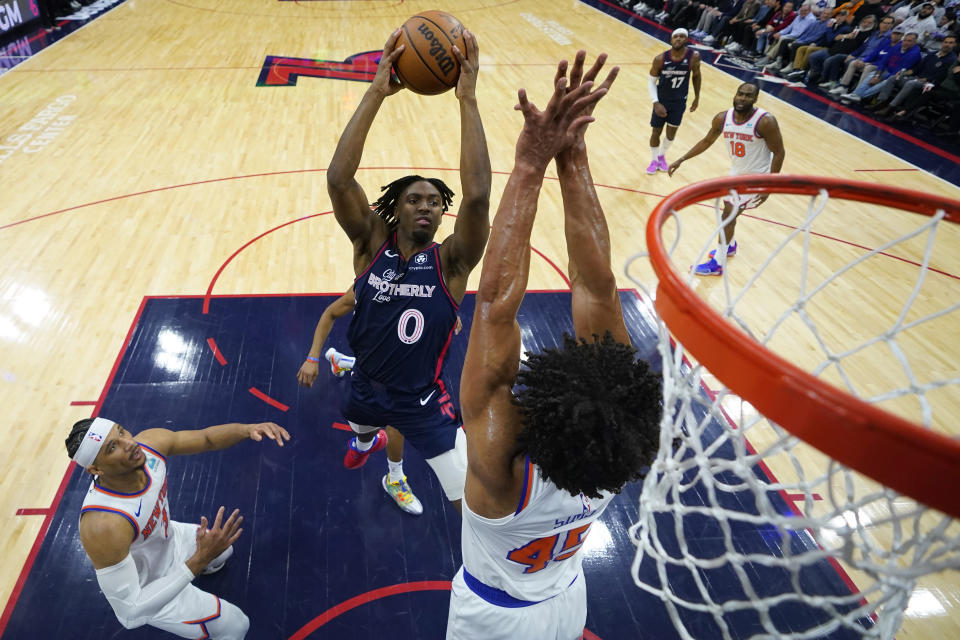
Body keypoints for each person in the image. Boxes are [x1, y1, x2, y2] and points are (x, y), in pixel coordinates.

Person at [446, 51, 662, 640]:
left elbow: (494, 305)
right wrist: (574, 155)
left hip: (494, 621)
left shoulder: (500, 467)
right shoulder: (620, 453)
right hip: (567, 600)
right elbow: (596, 288)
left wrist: (531, 161)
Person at [325, 27, 491, 514]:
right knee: (361, 426)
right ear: (395, 209)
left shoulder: (452, 261)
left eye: (435, 202)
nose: (426, 206)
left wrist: (468, 98)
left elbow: (478, 196)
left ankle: (481, 581)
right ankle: (364, 442)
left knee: (471, 503)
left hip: (420, 403)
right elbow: (339, 179)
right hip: (363, 389)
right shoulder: (369, 242)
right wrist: (378, 90)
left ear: (444, 215)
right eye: (414, 199)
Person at [66, 417, 291, 638]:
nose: (130, 443)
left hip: (170, 539)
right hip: (152, 585)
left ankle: (204, 565)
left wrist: (248, 427)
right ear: (95, 469)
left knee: (224, 551)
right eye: (113, 447)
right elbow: (129, 612)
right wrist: (197, 561)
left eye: (122, 431)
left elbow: (206, 439)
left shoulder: (150, 444)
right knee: (237, 625)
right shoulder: (104, 526)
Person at [295, 288, 464, 515]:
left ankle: (394, 479)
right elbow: (331, 313)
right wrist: (312, 357)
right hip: (369, 378)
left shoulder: (431, 287)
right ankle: (365, 442)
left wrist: (446, 312)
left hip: (406, 389)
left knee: (396, 424)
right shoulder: (372, 281)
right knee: (364, 430)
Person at [667, 82, 786, 276]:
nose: (743, 98)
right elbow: (707, 141)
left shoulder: (765, 121)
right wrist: (682, 159)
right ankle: (729, 245)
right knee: (728, 213)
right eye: (740, 94)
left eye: (748, 96)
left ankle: (718, 264)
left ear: (755, 99)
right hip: (737, 173)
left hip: (758, 177)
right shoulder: (723, 118)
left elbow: (779, 153)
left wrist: (768, 187)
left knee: (727, 216)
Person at [647, 28, 702, 174]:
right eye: (675, 36)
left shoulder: (694, 57)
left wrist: (697, 97)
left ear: (687, 40)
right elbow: (651, 82)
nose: (678, 39)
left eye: (682, 36)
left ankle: (661, 156)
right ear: (671, 40)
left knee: (671, 134)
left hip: (679, 102)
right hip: (662, 101)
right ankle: (653, 160)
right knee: (656, 132)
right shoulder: (660, 59)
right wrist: (655, 102)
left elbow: (696, 76)